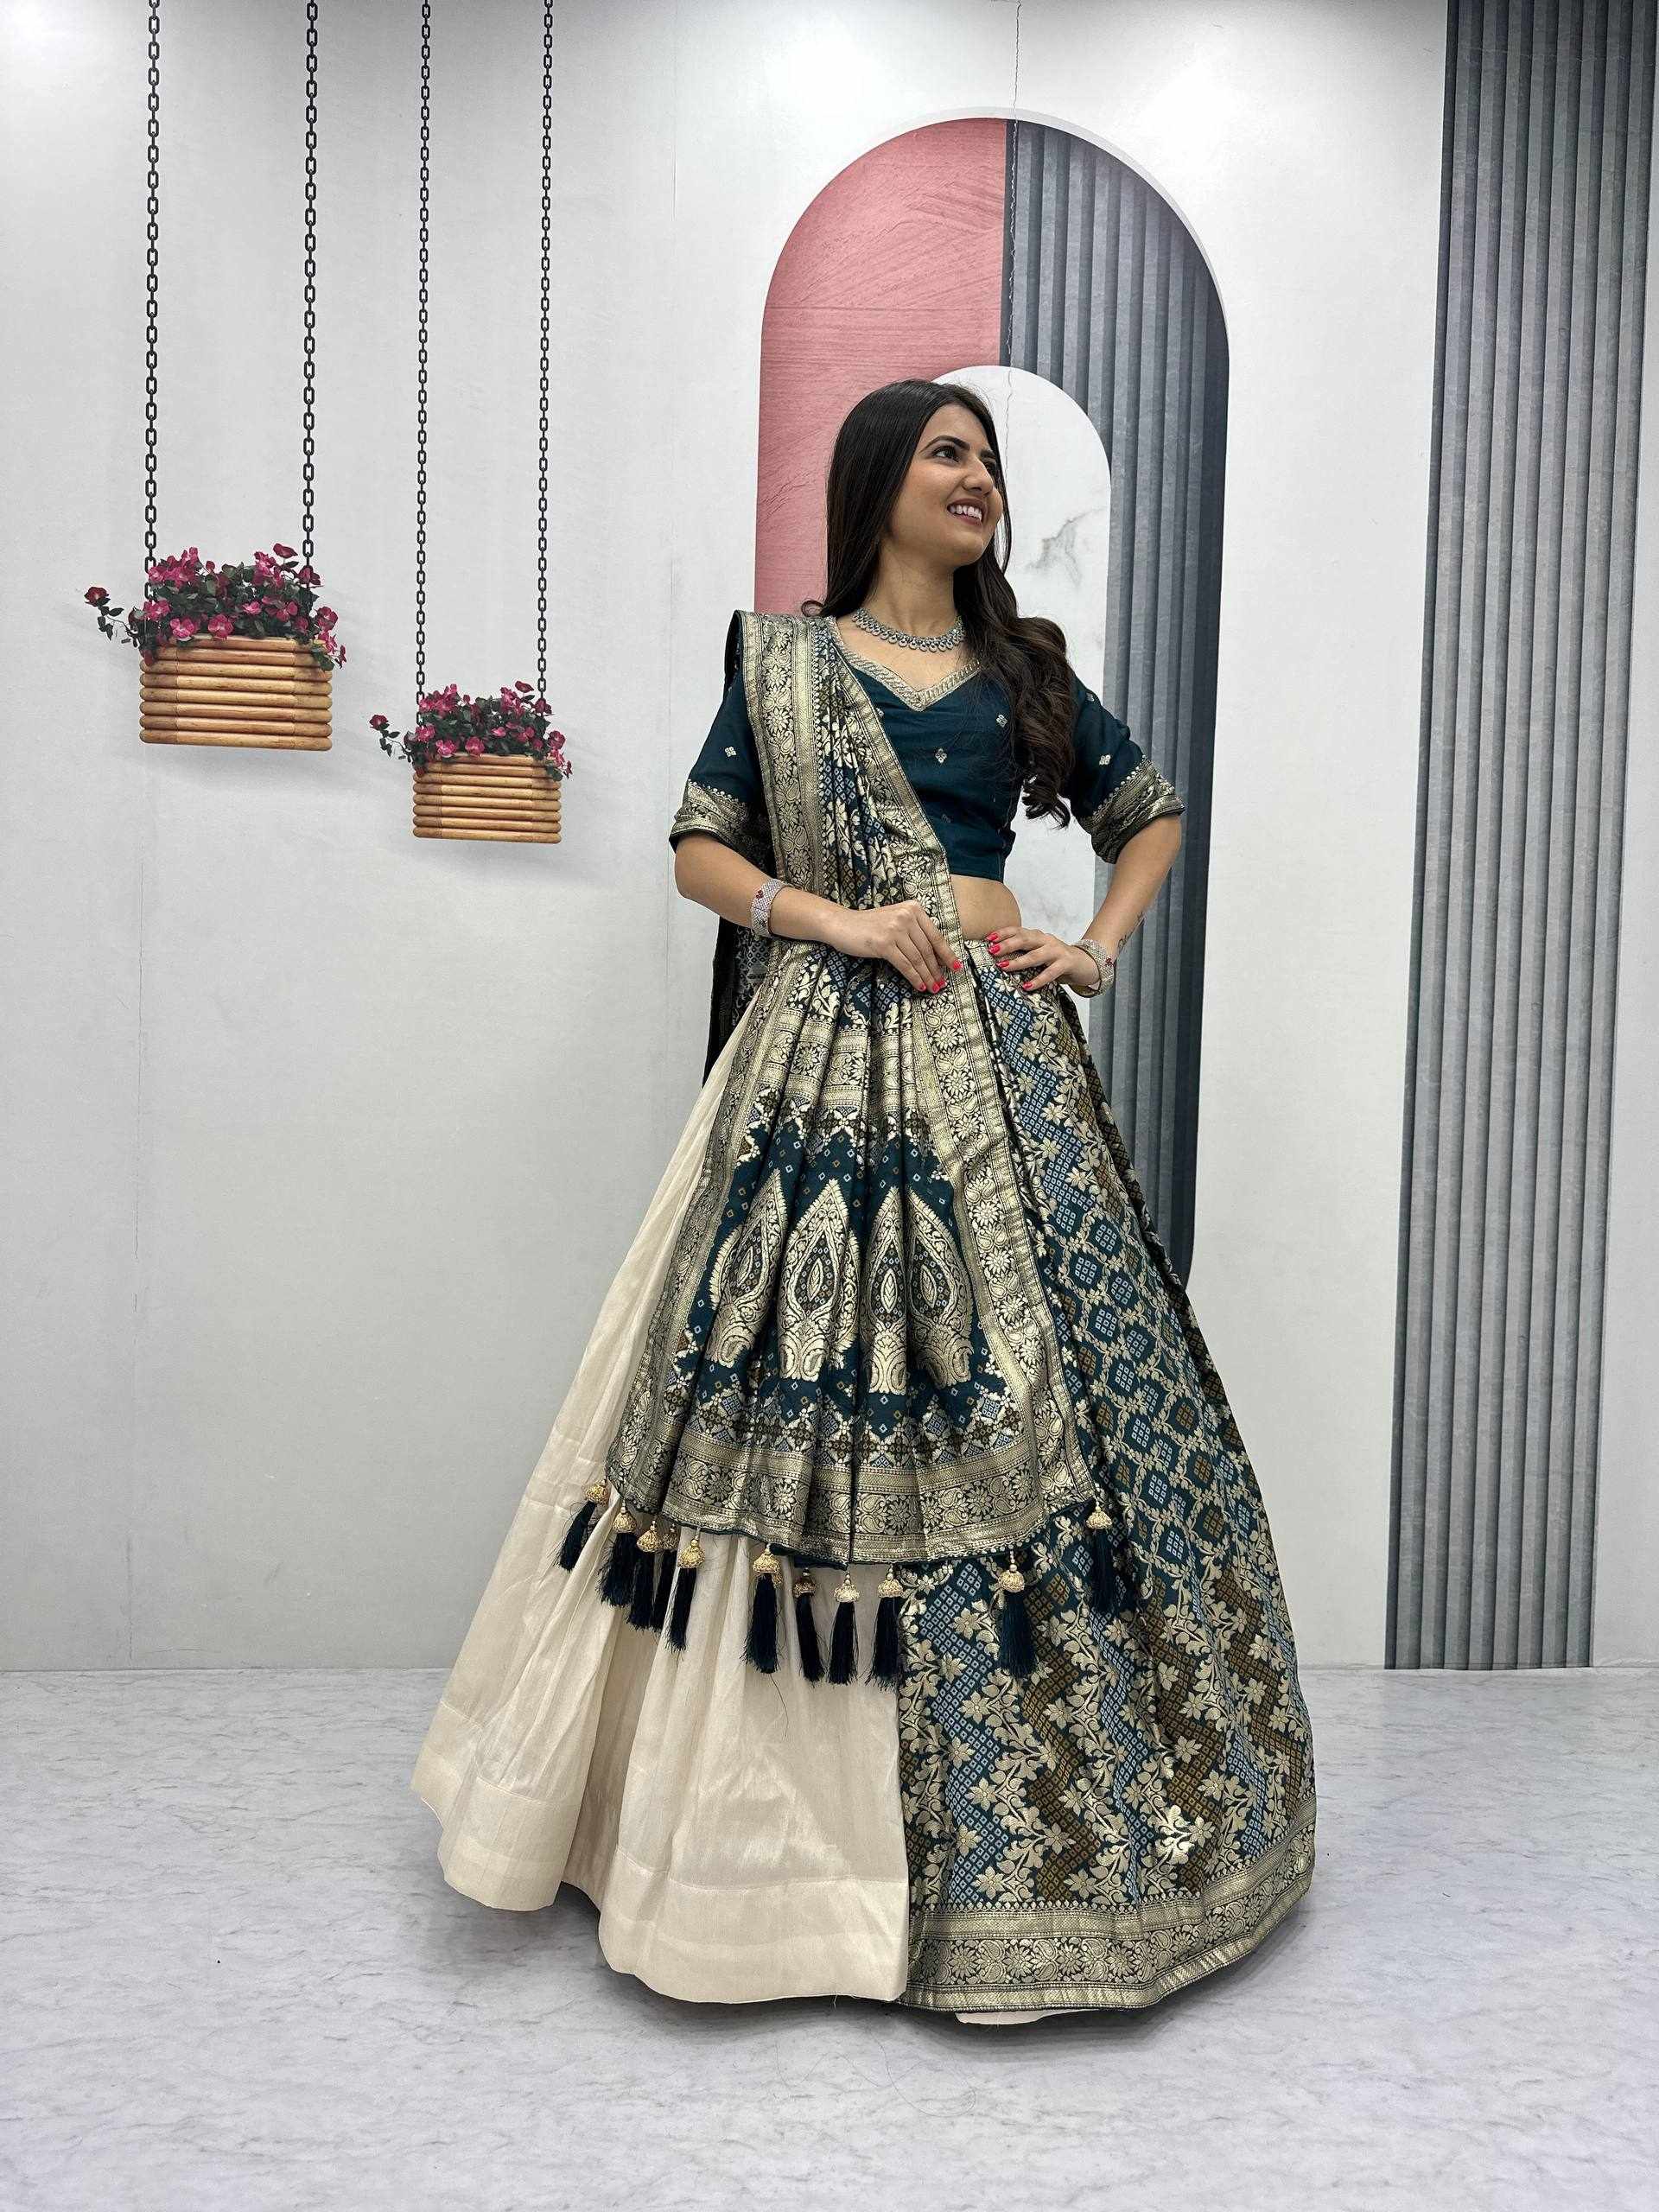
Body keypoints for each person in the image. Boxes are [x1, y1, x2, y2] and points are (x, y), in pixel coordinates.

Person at [412, 378, 1317, 2023]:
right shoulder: (784, 662)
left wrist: (1093, 945)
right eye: (950, 454)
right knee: (782, 1399)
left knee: (1063, 1396)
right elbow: (699, 847)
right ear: (880, 480)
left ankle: (1057, 1850)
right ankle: (749, 1860)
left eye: (990, 462)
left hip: (998, 1050)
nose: (980, 481)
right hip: (820, 1055)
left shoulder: (1022, 671)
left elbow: (1151, 812)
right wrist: (832, 923)